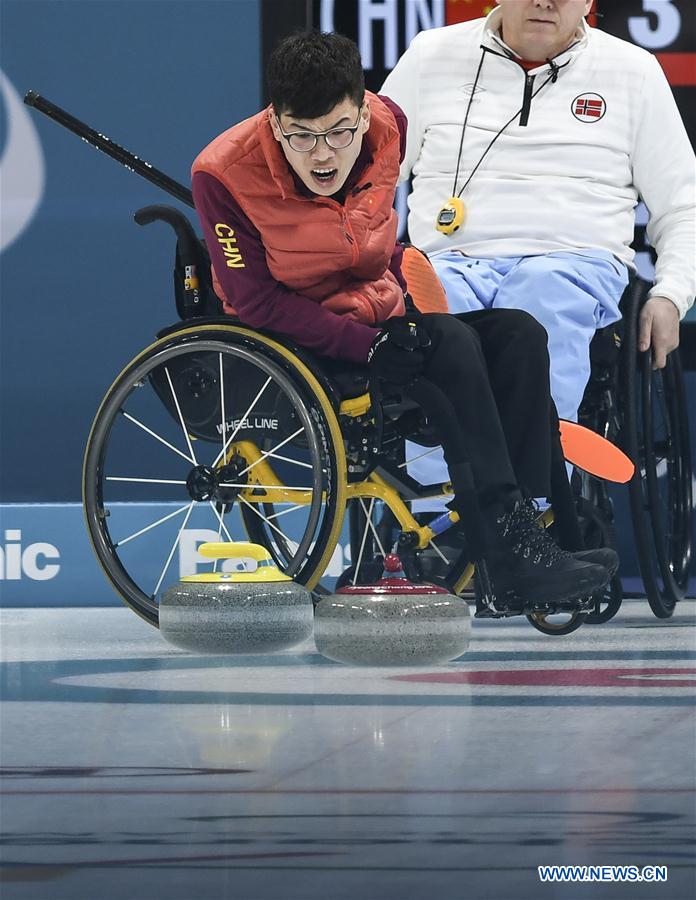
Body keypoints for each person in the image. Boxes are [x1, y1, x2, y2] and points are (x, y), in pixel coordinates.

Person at [191, 30, 611, 615]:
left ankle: (532, 532)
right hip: (298, 344)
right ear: (275, 122)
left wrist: (402, 313)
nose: (322, 155)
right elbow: (257, 305)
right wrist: (364, 346)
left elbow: (378, 232)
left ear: (363, 114)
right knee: (452, 341)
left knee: (519, 333)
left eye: (339, 132)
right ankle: (506, 552)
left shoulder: (390, 126)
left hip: (378, 321)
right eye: (302, 136)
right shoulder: (221, 174)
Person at [381, 0, 696, 426]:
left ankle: (533, 491)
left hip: (573, 263)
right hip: (446, 264)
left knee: (539, 305)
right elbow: (372, 172)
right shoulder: (430, 54)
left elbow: (682, 204)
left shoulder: (633, 71)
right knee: (440, 328)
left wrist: (671, 295)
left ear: (587, 2)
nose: (544, 2)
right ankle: (450, 492)